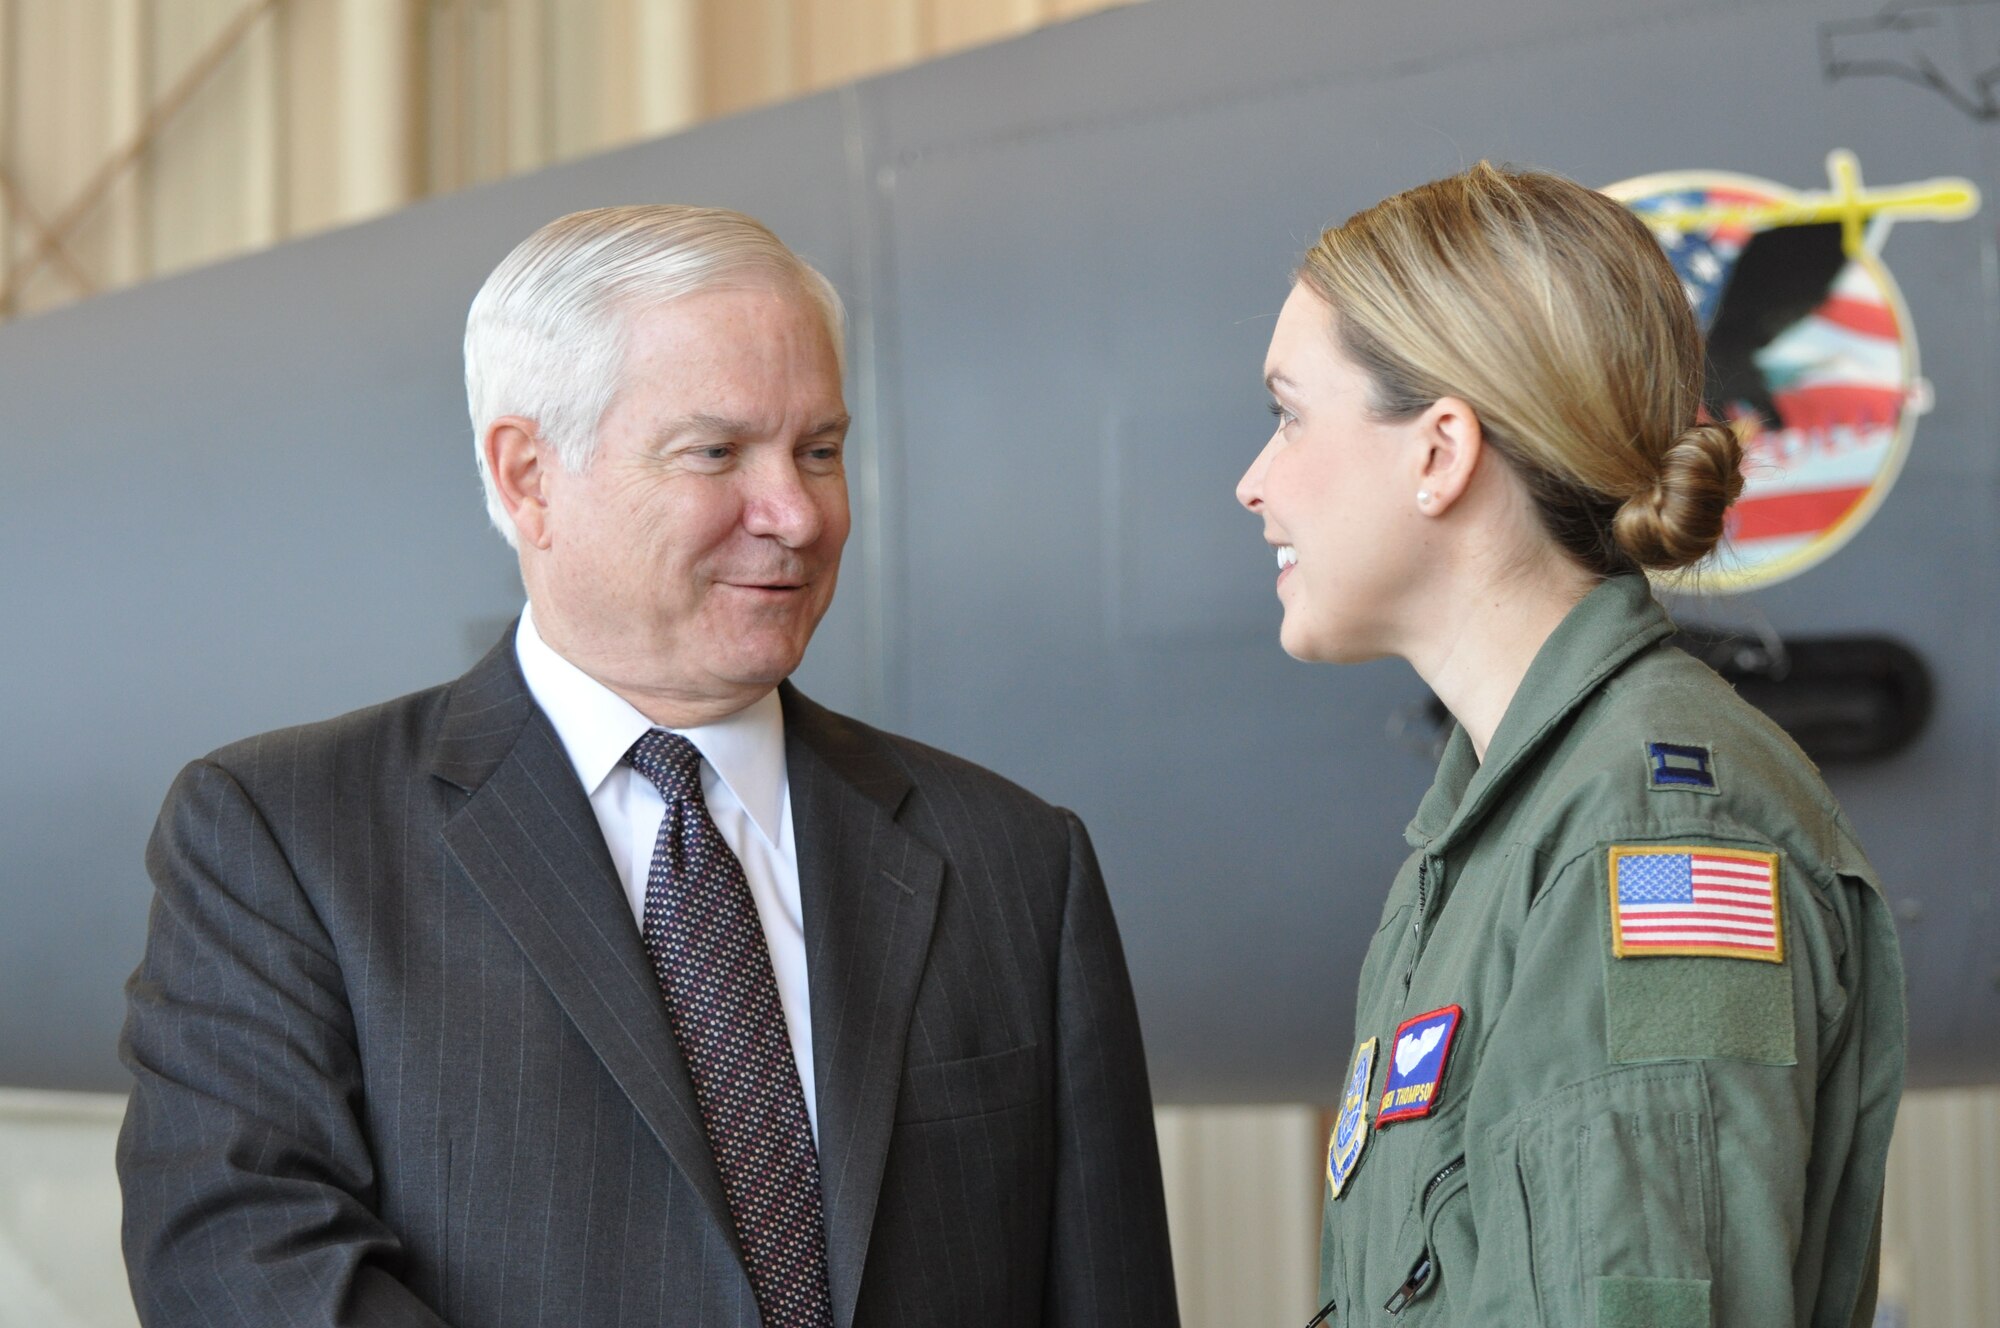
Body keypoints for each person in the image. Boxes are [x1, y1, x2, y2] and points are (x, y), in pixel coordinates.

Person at [118, 206, 1179, 1328]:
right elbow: (244, 1269)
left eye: (819, 450)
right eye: (715, 451)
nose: (796, 513)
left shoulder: (1015, 862)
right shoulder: (285, 838)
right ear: (528, 475)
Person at [1235, 165, 1904, 1328]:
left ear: (1439, 451)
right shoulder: (1487, 844)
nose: (1253, 482)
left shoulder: (1647, 830)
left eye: (1289, 414)